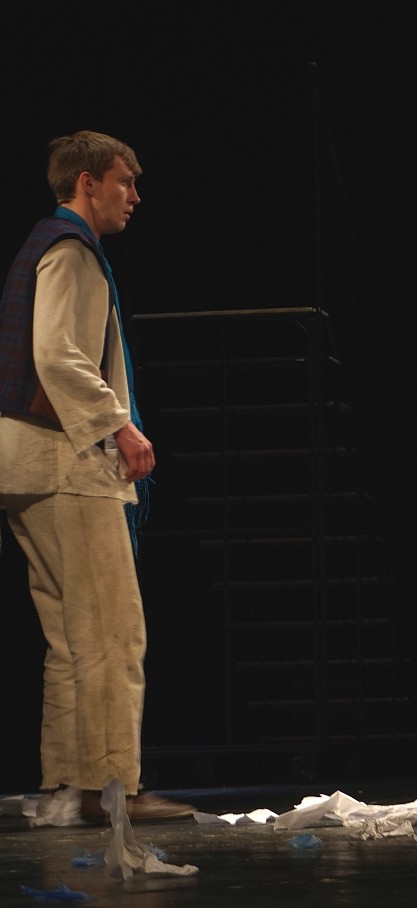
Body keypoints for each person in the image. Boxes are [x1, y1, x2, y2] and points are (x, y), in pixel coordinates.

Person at [0, 131, 193, 824]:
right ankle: (111, 786)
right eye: (123, 182)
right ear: (87, 183)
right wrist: (120, 424)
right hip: (66, 464)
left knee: (71, 633)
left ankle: (71, 785)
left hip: (29, 462)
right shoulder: (71, 252)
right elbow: (56, 353)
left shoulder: (45, 245)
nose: (133, 196)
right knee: (112, 630)